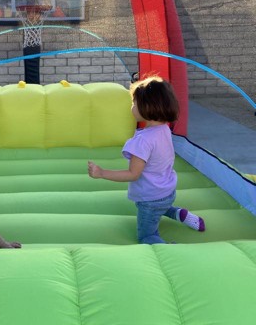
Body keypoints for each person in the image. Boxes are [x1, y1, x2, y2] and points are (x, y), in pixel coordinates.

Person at [88, 76, 205, 244]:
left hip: (150, 199)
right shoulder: (164, 129)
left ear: (147, 107)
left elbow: (132, 174)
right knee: (162, 207)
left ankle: (173, 249)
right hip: (168, 192)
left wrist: (102, 173)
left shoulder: (142, 141)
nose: (132, 107)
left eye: (134, 103)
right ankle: (180, 214)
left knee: (146, 237)